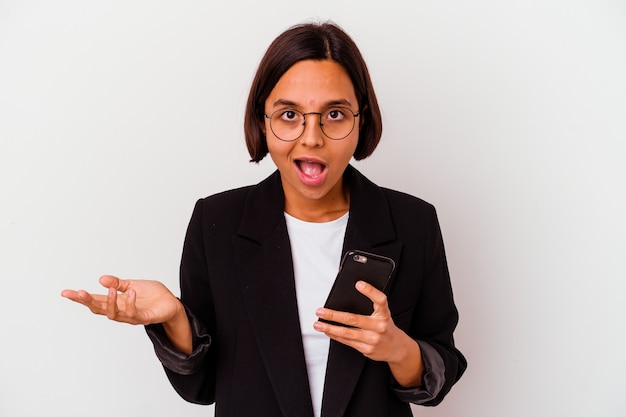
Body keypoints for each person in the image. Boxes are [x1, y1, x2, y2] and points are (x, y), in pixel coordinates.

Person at [62, 21, 466, 417]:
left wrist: (397, 348)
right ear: (263, 121)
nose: (312, 137)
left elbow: (440, 369)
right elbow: (203, 387)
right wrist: (176, 319)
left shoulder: (414, 223)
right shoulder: (215, 222)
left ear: (361, 121)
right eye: (289, 115)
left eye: (335, 115)